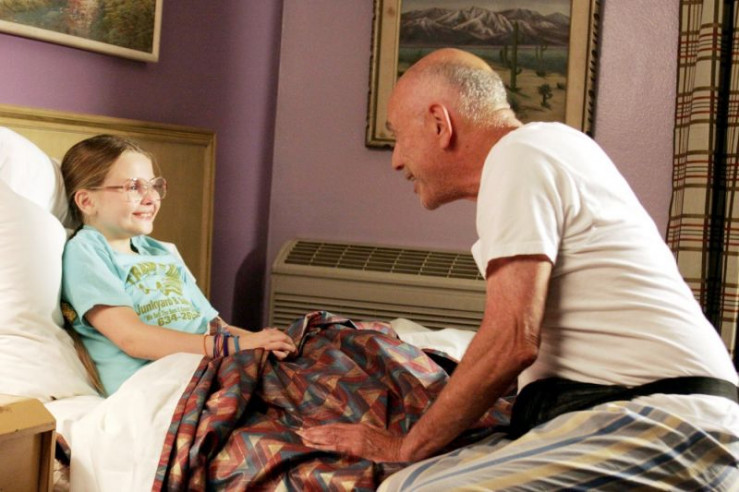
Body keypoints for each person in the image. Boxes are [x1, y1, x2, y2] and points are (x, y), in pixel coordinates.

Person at [298, 48, 739, 489]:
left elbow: (510, 342)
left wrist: (406, 446)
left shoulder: (520, 154)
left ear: (439, 123)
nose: (396, 159)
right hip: (625, 413)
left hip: (667, 420)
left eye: (398, 135)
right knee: (398, 485)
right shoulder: (540, 151)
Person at [60, 134, 296, 396]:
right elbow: (132, 338)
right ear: (87, 201)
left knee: (318, 344)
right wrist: (236, 346)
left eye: (153, 186)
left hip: (209, 364)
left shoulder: (159, 251)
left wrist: (266, 343)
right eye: (134, 187)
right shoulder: (86, 251)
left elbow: (215, 326)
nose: (151, 198)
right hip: (160, 382)